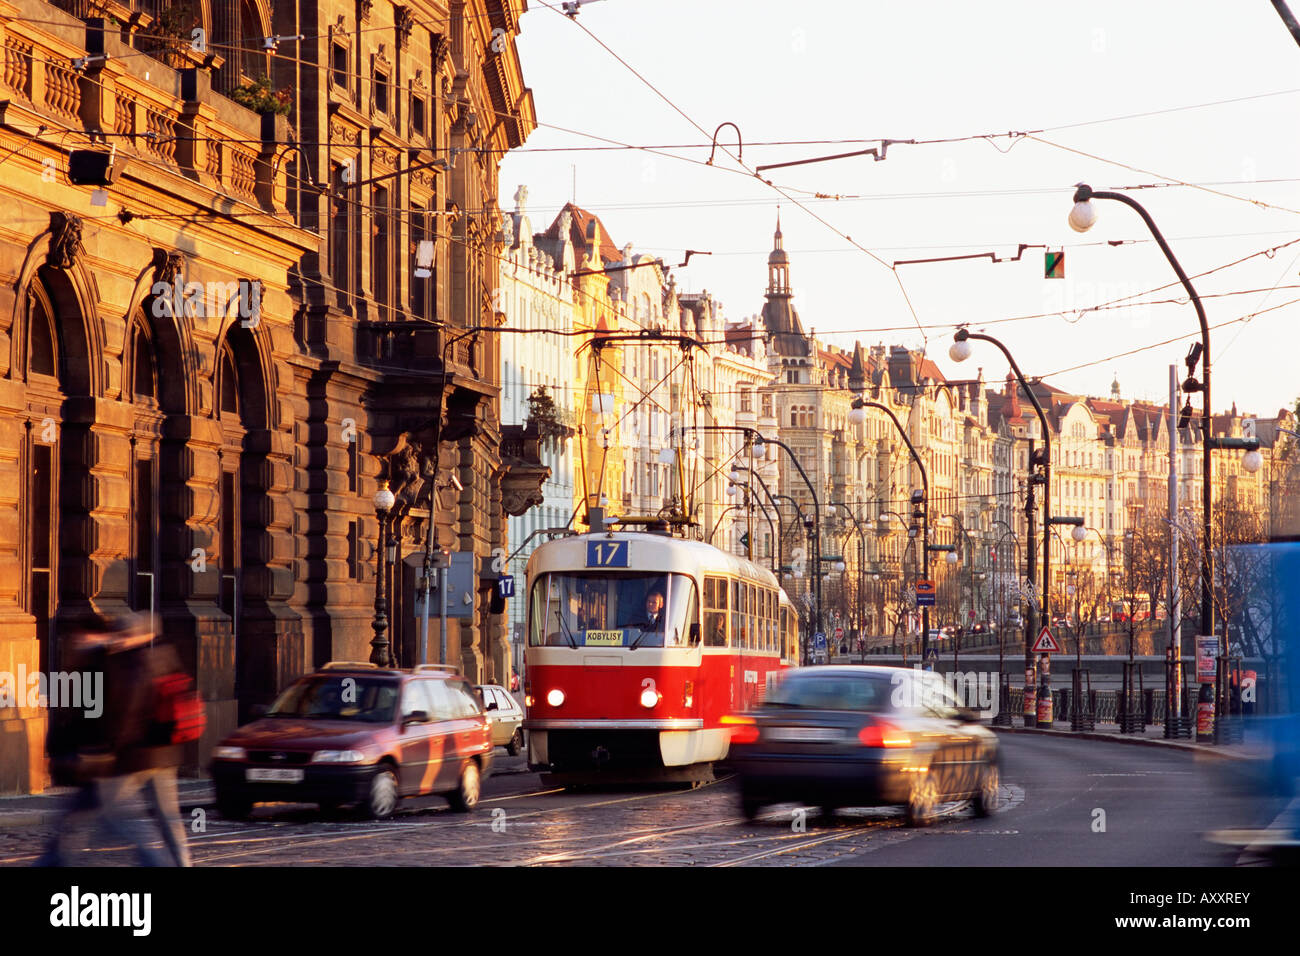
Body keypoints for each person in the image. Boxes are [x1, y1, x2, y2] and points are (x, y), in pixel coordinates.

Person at [92, 614, 194, 867]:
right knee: (168, 816)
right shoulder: (168, 655)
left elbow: (128, 713)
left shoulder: (136, 661)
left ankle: (154, 860)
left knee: (110, 812)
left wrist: (112, 748)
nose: (121, 639)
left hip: (138, 754)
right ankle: (183, 863)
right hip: (166, 752)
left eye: (125, 634)